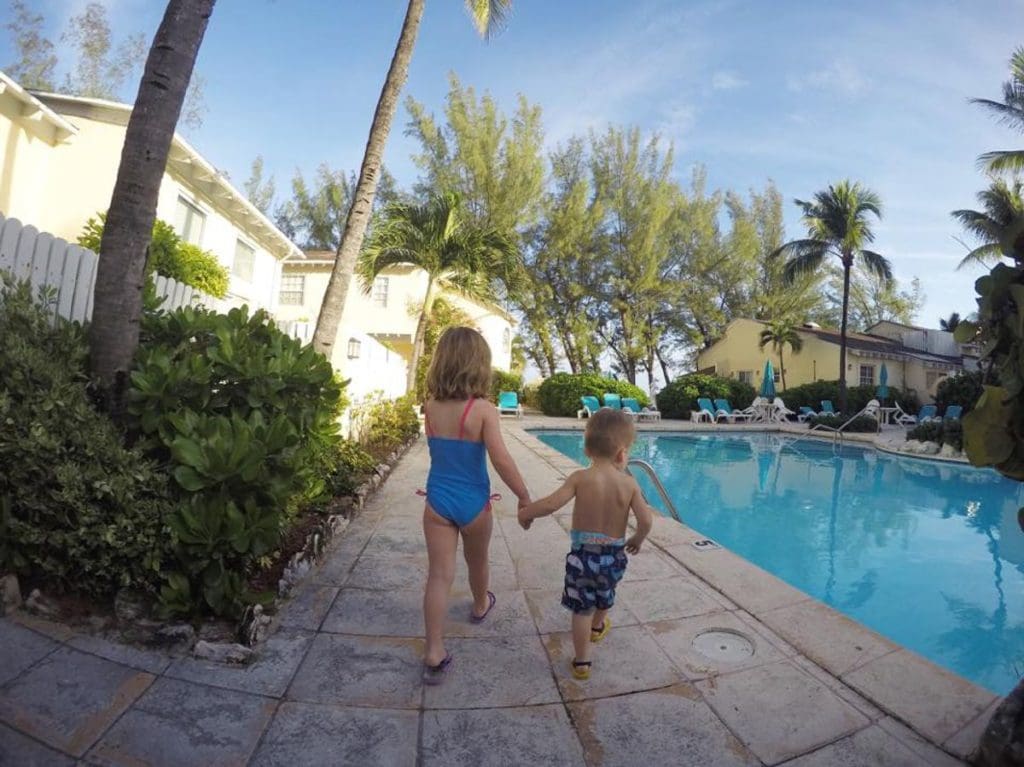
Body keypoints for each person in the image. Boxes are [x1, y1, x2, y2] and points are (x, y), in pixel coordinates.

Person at [420, 326, 531, 684]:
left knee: (439, 575)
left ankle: (434, 649)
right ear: (479, 365)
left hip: (437, 501)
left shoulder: (430, 407)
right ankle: (481, 603)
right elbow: (501, 459)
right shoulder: (482, 409)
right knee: (477, 560)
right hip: (473, 503)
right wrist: (524, 495)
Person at [518, 409, 653, 680]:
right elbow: (646, 520)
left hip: (583, 558)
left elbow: (551, 504)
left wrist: (526, 513)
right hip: (614, 557)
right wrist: (637, 539)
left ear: (587, 448)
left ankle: (582, 662)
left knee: (582, 609)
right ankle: (598, 626)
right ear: (622, 453)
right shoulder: (629, 484)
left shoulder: (580, 478)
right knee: (606, 593)